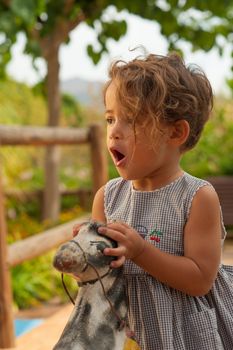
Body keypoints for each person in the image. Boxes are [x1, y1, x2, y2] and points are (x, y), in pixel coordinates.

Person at [73, 52, 233, 349]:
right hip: (131, 334)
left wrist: (141, 251)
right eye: (110, 118)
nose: (114, 132)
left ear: (176, 132)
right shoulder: (107, 198)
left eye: (130, 119)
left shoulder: (196, 198)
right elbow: (99, 283)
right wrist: (86, 257)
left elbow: (200, 280)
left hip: (185, 334)